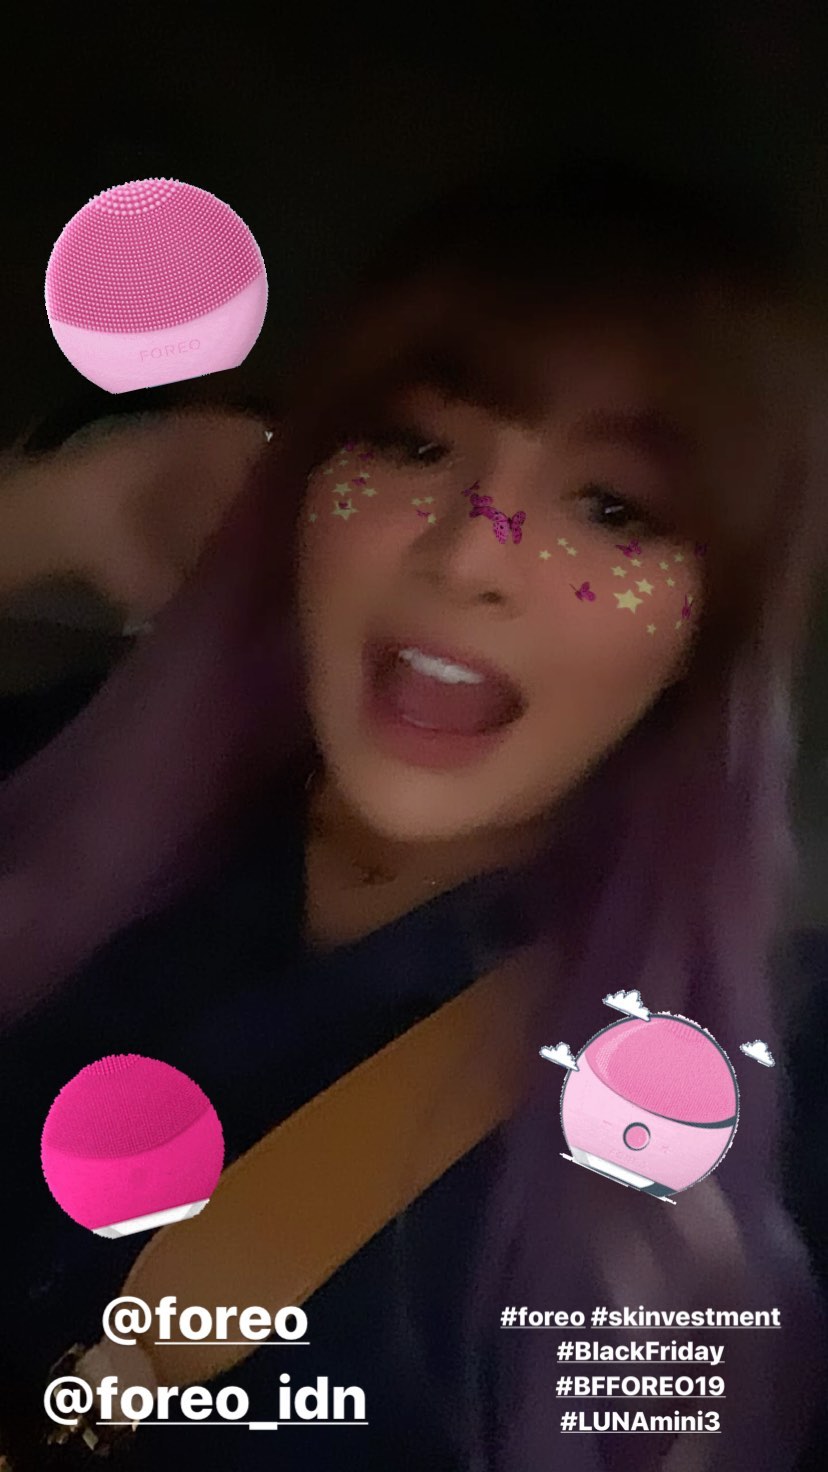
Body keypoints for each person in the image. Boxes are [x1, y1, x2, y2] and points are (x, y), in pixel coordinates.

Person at [0, 156, 826, 1471]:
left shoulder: (771, 1098)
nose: (470, 551)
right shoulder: (64, 782)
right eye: (411, 446)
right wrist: (49, 517)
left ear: (710, 629)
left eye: (613, 507)